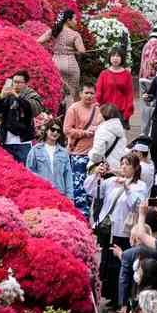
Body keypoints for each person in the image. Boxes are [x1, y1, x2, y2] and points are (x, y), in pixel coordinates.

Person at [91, 154, 148, 307]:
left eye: (127, 164)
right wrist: (97, 173)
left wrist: (126, 187)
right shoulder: (111, 182)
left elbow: (137, 205)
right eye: (122, 163)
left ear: (135, 167)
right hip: (109, 229)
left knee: (122, 264)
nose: (123, 167)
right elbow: (91, 190)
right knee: (108, 262)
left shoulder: (140, 186)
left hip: (125, 230)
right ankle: (110, 296)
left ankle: (121, 299)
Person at [64, 82, 99, 215]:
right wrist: (84, 133)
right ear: (80, 94)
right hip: (77, 154)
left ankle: (88, 215)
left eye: (92, 93)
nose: (89, 96)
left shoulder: (97, 109)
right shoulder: (74, 108)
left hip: (94, 155)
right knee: (78, 188)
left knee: (91, 188)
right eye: (86, 93)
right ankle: (81, 217)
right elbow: (66, 130)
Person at [38, 9, 86, 104]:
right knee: (71, 93)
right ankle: (69, 115)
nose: (76, 22)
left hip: (55, 63)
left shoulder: (54, 31)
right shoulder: (75, 34)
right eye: (75, 19)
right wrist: (77, 51)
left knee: (56, 91)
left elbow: (38, 42)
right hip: (70, 64)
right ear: (68, 20)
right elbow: (82, 51)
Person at [0, 71, 36, 164]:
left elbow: (28, 108)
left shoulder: (30, 95)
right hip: (7, 140)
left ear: (26, 84)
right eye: (14, 82)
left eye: (19, 82)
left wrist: (16, 96)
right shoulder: (8, 95)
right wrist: (1, 96)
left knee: (25, 170)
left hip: (23, 141)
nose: (16, 85)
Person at [25, 118, 73, 200]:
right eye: (53, 129)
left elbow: (68, 176)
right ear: (47, 130)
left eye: (58, 131)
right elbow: (29, 172)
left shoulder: (64, 153)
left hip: (60, 194)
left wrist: (70, 197)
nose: (55, 132)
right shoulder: (35, 150)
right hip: (41, 193)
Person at [95, 47, 134, 128]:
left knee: (118, 137)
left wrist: (128, 112)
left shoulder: (127, 74)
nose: (115, 58)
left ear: (122, 58)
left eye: (118, 56)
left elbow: (129, 94)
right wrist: (96, 106)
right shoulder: (104, 74)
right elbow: (98, 92)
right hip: (105, 110)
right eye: (113, 56)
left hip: (120, 111)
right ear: (109, 58)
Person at [87, 103, 128, 174]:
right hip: (117, 169)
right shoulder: (120, 129)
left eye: (99, 113)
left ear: (103, 115)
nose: (97, 116)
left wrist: (89, 153)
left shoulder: (102, 130)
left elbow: (96, 155)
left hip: (104, 170)